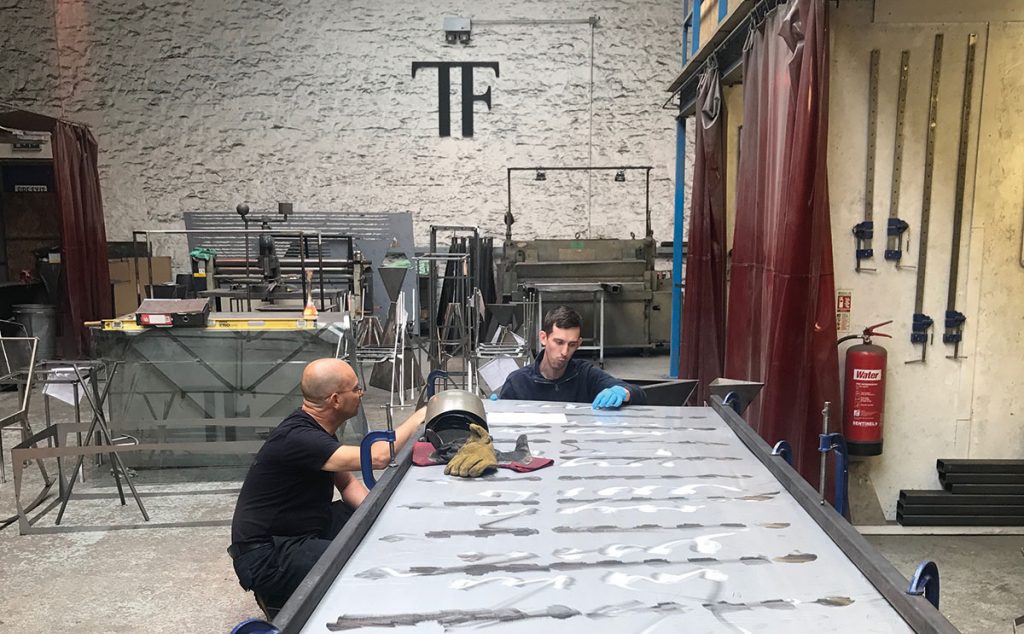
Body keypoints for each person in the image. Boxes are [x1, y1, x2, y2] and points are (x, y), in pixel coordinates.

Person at [228, 358, 425, 618]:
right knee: (360, 563)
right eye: (355, 389)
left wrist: (384, 520)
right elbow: (378, 457)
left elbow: (347, 483)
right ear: (335, 400)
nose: (361, 394)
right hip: (268, 554)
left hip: (298, 530)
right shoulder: (299, 438)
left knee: (365, 525)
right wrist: (420, 416)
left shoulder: (318, 431)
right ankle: (282, 600)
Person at [499, 305, 647, 408]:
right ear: (543, 338)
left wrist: (623, 392)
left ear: (579, 343)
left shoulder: (586, 375)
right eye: (559, 342)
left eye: (571, 344)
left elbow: (638, 393)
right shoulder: (518, 383)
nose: (564, 352)